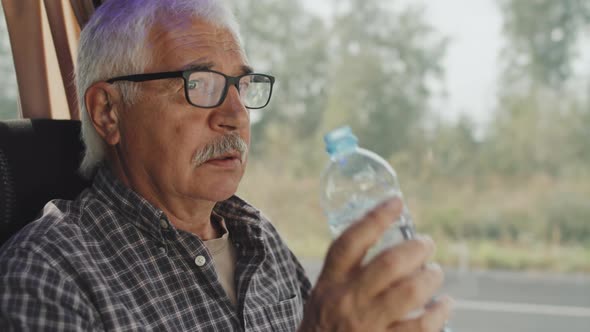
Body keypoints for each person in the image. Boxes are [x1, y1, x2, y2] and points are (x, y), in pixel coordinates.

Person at [0, 0, 452, 331]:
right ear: (108, 113)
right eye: (200, 84)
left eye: (242, 85)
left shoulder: (259, 238)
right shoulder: (50, 272)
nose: (235, 114)